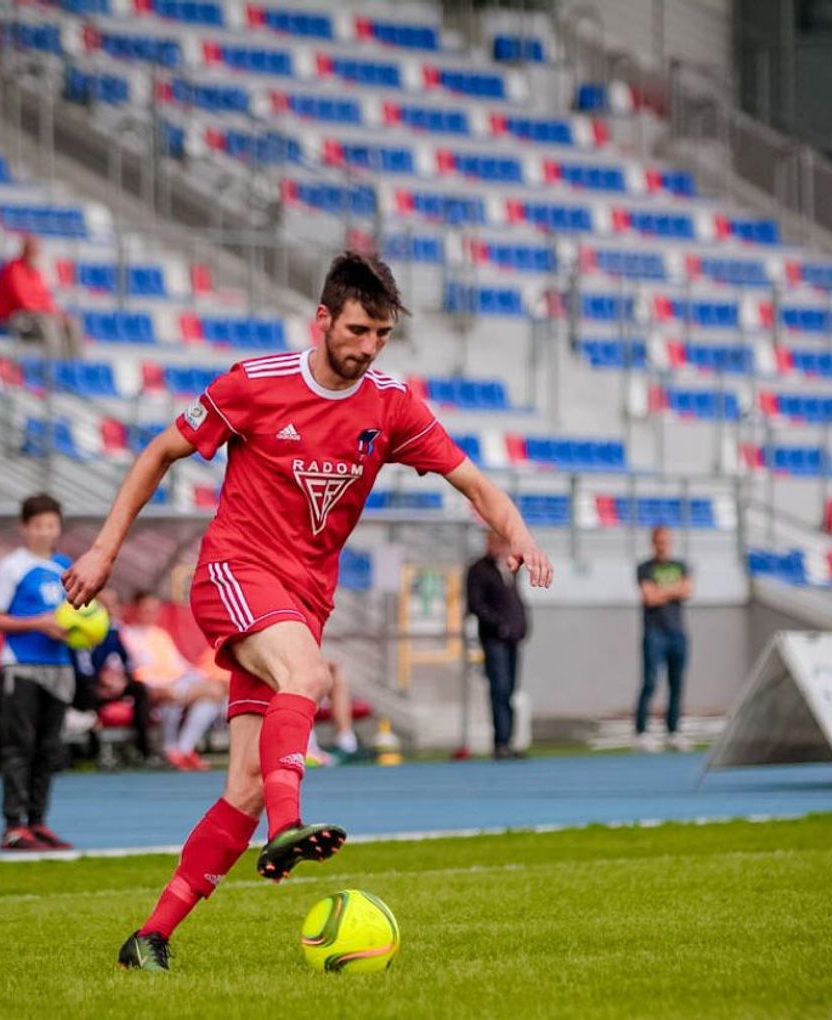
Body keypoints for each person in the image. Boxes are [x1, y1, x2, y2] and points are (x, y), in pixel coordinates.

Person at [61, 251, 553, 971]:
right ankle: (288, 826)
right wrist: (105, 551)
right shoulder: (255, 384)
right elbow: (159, 453)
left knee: (244, 786)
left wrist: (521, 535)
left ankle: (150, 938)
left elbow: (475, 482)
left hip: (302, 600)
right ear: (322, 319)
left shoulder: (390, 405)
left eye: (382, 335)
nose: (369, 346)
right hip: (234, 572)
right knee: (309, 675)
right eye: (357, 330)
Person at [0, 493, 76, 851]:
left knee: (48, 750)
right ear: (24, 528)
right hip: (21, 666)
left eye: (51, 525)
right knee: (18, 747)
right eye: (38, 525)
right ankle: (12, 825)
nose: (45, 531)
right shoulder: (12, 567)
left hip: (59, 667)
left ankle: (38, 822)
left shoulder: (66, 567)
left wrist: (85, 629)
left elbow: (81, 615)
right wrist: (38, 623)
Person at [120, 591, 226, 772]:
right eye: (146, 610)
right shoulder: (127, 635)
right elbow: (136, 668)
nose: (151, 614)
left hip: (178, 683)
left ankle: (184, 749)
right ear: (136, 609)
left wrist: (200, 677)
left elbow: (180, 665)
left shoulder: (160, 634)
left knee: (210, 698)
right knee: (208, 694)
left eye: (155, 610)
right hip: (152, 685)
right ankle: (172, 749)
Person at [73, 589, 155, 766]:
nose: (111, 608)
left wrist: (122, 680)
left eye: (113, 604)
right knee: (87, 692)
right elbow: (82, 667)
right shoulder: (84, 628)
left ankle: (144, 751)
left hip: (113, 685)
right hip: (90, 688)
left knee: (139, 689)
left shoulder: (115, 630)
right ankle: (93, 754)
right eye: (106, 604)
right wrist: (101, 682)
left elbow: (128, 663)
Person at [466, 530, 530, 761]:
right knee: (499, 689)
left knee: (510, 690)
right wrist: (498, 625)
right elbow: (476, 604)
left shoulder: (509, 569)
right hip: (494, 639)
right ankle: (500, 742)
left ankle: (509, 740)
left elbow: (515, 602)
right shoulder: (479, 570)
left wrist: (521, 626)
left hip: (512, 639)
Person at [635, 525, 693, 753]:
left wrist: (662, 591)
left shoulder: (681, 566)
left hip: (677, 632)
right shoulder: (645, 568)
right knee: (650, 681)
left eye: (666, 541)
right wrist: (673, 590)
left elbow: (687, 590)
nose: (663, 546)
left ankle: (673, 731)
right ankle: (642, 732)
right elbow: (649, 597)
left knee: (676, 683)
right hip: (654, 632)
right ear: (653, 543)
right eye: (660, 541)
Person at [0, 235, 80, 361]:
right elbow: (23, 301)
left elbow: (45, 298)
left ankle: (73, 364)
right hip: (12, 317)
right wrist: (50, 314)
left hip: (35, 316)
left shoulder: (35, 272)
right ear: (25, 251)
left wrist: (58, 315)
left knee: (71, 323)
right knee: (48, 324)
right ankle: (54, 365)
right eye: (33, 250)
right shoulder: (12, 270)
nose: (36, 254)